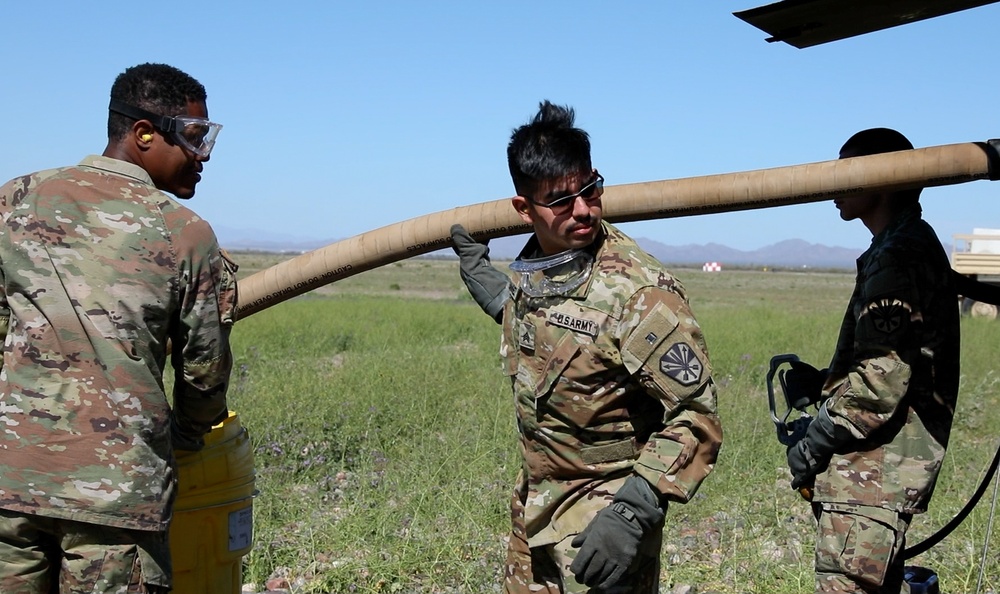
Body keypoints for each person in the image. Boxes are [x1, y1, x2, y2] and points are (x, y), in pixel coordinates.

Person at [451, 101, 723, 593]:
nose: (583, 209)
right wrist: (499, 296)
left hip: (603, 527)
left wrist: (633, 509)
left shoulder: (639, 292)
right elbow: (568, 337)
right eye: (560, 200)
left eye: (590, 189)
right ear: (523, 209)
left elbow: (696, 415)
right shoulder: (539, 268)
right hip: (535, 512)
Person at [0, 63, 237, 594]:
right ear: (144, 134)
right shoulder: (182, 232)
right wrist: (184, 437)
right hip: (116, 500)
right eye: (195, 138)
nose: (203, 157)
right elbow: (204, 371)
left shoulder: (16, 198)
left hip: (10, 484)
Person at [783, 128, 960, 594]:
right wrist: (825, 381)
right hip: (879, 474)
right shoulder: (903, 244)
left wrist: (811, 445)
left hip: (871, 477)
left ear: (881, 179)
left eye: (847, 171)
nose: (834, 187)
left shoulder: (897, 255)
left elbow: (878, 389)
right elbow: (899, 366)